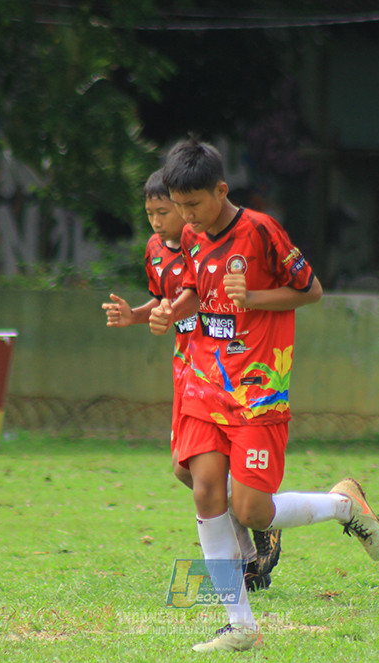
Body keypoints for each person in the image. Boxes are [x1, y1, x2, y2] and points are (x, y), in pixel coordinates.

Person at [148, 138, 379, 653]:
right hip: (207, 383)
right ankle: (241, 626)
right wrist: (171, 311)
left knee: (254, 510)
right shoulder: (190, 235)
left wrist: (253, 297)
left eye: (194, 204)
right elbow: (194, 290)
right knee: (203, 490)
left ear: (221, 190)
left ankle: (343, 505)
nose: (187, 216)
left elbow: (311, 290)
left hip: (258, 390)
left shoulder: (260, 230)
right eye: (180, 206)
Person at [101, 169, 283, 592]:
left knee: (209, 476)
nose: (158, 221)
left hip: (217, 367)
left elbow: (203, 298)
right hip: (185, 368)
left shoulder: (203, 243)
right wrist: (136, 316)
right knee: (186, 472)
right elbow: (165, 301)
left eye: (166, 211)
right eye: (151, 213)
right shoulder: (154, 250)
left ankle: (252, 541)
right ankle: (253, 537)